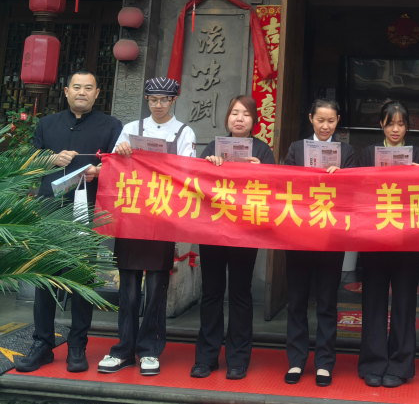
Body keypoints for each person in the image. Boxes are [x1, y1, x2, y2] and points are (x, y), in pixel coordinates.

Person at [15, 70, 122, 375]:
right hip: (50, 210)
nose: (82, 92)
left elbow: (120, 167)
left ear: (97, 93)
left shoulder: (111, 126)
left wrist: (99, 172)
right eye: (76, 87)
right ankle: (42, 344)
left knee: (81, 279)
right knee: (45, 279)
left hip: (86, 212)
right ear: (66, 91)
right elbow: (29, 163)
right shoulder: (47, 124)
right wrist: (51, 159)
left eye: (88, 88)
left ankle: (77, 345)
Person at [97, 77, 195, 378]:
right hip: (131, 216)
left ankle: (150, 350)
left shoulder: (184, 132)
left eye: (164, 99)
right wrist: (120, 151)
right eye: (153, 99)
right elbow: (113, 166)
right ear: (147, 100)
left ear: (173, 100)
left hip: (161, 217)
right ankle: (123, 350)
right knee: (127, 286)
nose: (158, 105)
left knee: (156, 287)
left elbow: (189, 171)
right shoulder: (130, 129)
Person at [190, 95, 275, 381]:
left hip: (245, 232)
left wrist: (261, 171)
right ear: (227, 117)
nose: (239, 118)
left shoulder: (263, 151)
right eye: (234, 113)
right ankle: (206, 357)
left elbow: (276, 191)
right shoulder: (213, 147)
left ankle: (238, 359)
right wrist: (208, 165)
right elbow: (195, 183)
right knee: (211, 292)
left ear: (254, 120)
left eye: (246, 114)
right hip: (212, 230)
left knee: (240, 293)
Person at [282, 98, 355, 387]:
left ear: (338, 122)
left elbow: (354, 192)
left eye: (331, 121)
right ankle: (296, 360)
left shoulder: (346, 152)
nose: (325, 126)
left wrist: (342, 177)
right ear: (311, 119)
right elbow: (283, 184)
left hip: (330, 236)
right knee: (297, 301)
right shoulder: (296, 149)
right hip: (299, 235)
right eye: (320, 120)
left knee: (327, 301)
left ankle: (324, 363)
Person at [356, 100, 419, 388]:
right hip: (374, 236)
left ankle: (400, 364)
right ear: (381, 125)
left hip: (407, 238)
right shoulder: (367, 154)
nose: (395, 129)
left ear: (407, 126)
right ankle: (373, 362)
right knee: (372, 299)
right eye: (390, 123)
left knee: (404, 302)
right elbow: (355, 190)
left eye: (400, 124)